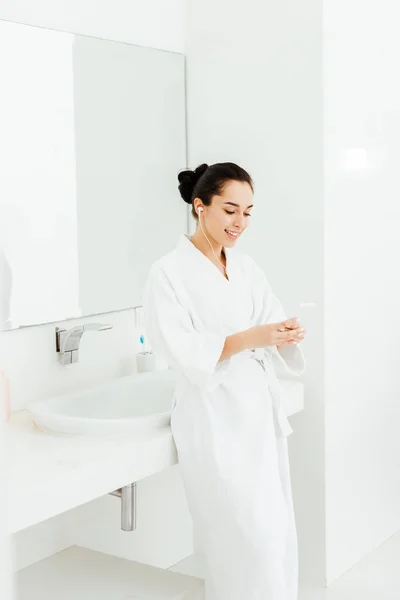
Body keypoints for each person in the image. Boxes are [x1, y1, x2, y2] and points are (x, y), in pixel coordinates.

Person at [143, 162, 306, 600]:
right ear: (200, 206)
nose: (241, 223)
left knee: (272, 529)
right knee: (238, 533)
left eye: (249, 213)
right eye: (230, 210)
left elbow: (269, 318)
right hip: (213, 415)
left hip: (257, 412)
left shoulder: (246, 265)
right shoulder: (168, 273)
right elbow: (181, 348)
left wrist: (284, 334)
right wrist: (252, 337)